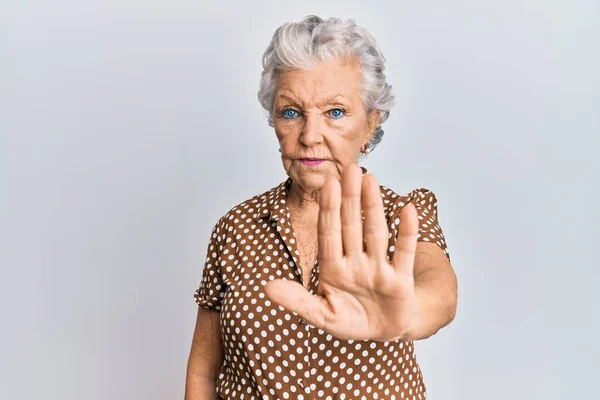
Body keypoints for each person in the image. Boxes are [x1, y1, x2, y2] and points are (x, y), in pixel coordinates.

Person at [185, 15, 458, 400]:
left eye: (335, 112)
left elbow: (441, 294)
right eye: (292, 112)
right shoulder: (236, 226)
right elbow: (203, 371)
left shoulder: (401, 214)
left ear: (370, 124)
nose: (310, 136)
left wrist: (408, 313)